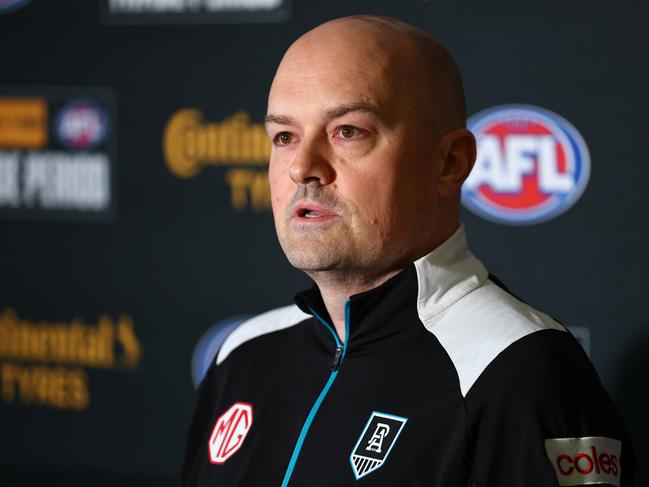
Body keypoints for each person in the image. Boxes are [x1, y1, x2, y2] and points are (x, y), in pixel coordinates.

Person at [182, 15, 634, 487]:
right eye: (284, 136)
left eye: (348, 131)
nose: (301, 167)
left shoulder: (518, 369)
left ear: (449, 162)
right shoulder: (243, 354)